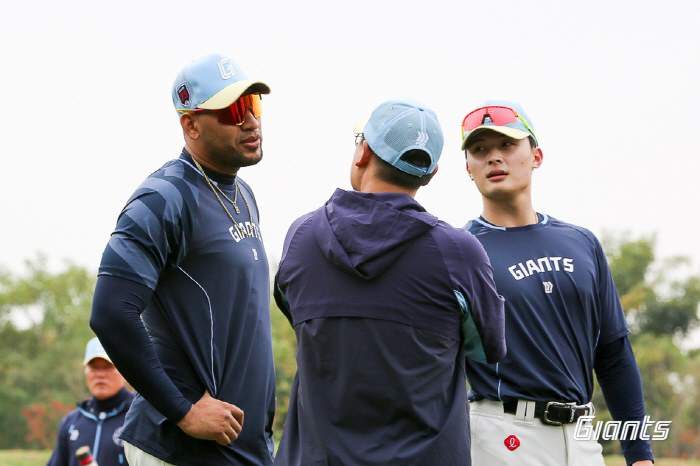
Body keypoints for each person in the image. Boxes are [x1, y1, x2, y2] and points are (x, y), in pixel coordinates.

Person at [273, 98, 506, 466]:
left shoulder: (301, 238)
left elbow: (298, 316)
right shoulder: (458, 252)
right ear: (431, 173)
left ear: (363, 152)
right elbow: (487, 347)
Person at [89, 53, 276, 466]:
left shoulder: (243, 195)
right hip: (180, 447)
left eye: (255, 105)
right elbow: (110, 312)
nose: (250, 121)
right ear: (190, 124)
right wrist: (184, 410)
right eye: (233, 109)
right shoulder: (162, 198)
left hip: (238, 448)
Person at [460, 99, 655, 466]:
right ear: (468, 168)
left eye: (506, 145)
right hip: (502, 436)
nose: (493, 158)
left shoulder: (581, 242)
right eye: (479, 149)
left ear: (536, 156)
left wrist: (639, 455)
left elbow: (613, 355)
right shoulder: (461, 250)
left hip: (582, 438)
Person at [47, 337, 135, 466]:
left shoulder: (139, 416)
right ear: (85, 371)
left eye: (108, 366)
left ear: (124, 370)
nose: (100, 374)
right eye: (94, 367)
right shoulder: (71, 422)